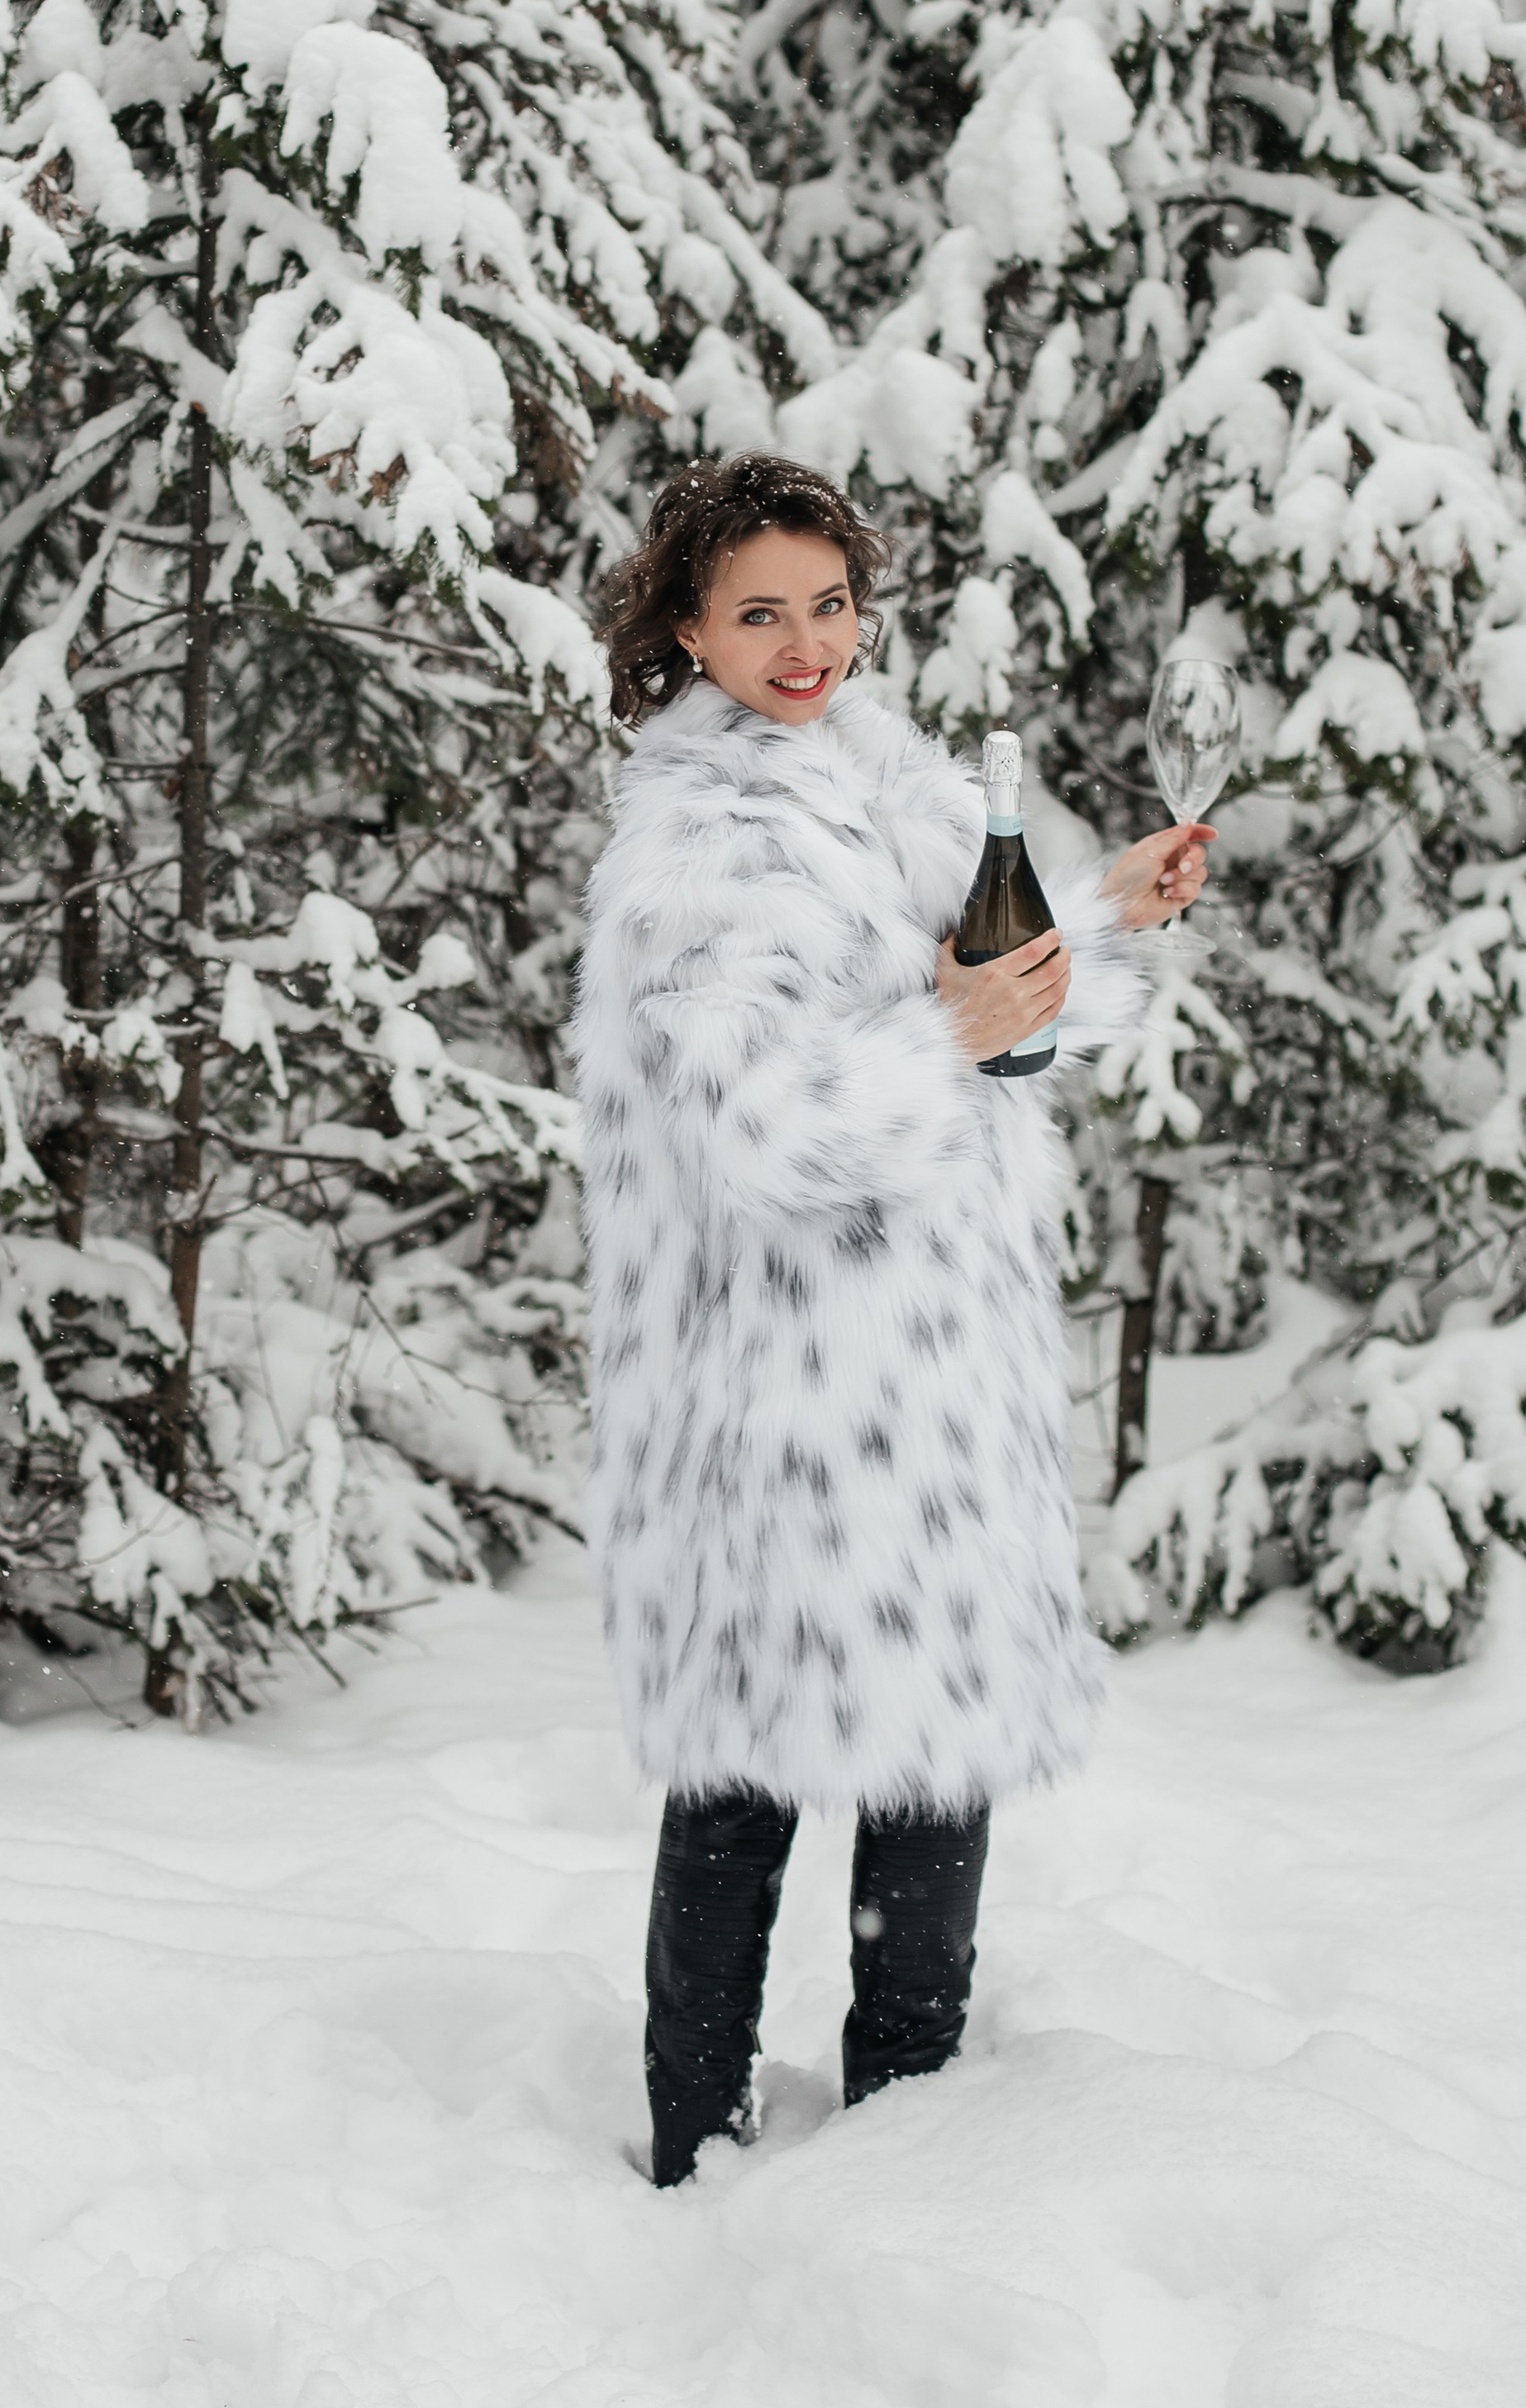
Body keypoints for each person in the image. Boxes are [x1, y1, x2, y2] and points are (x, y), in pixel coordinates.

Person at [572, 452, 1210, 2187]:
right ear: (684, 633)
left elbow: (993, 994)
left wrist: (1107, 921)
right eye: (758, 613)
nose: (803, 644)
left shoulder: (889, 781)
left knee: (931, 1768)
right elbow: (761, 1126)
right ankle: (688, 2152)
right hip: (780, 1388)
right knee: (743, 1783)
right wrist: (944, 1030)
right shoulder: (701, 845)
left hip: (929, 1379)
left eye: (827, 603)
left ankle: (905, 2168)